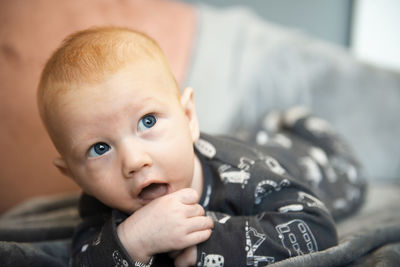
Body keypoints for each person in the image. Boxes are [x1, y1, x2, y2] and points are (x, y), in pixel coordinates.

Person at [37, 27, 365, 267]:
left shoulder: (242, 174)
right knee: (250, 138)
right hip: (242, 146)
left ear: (189, 116)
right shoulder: (100, 203)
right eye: (99, 148)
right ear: (74, 175)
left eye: (147, 122)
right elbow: (84, 260)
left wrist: (209, 242)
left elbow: (317, 228)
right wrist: (133, 243)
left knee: (342, 173)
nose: (134, 161)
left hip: (305, 165)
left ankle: (297, 122)